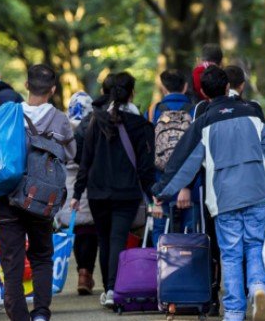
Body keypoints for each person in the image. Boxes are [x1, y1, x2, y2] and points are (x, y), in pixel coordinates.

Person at [153, 66, 265, 321]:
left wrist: (162, 191)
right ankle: (258, 286)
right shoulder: (253, 113)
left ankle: (233, 313)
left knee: (230, 254)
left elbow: (184, 162)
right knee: (255, 245)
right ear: (227, 87)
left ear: (203, 93)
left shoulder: (204, 122)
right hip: (257, 191)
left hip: (224, 196)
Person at [0, 64, 75, 321]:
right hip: (43, 200)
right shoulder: (61, 120)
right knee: (41, 258)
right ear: (53, 89)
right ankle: (41, 313)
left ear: (26, 85)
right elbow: (70, 154)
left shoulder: (11, 115)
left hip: (9, 199)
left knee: (12, 266)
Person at [72, 72, 156, 308]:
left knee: (104, 238)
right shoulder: (139, 125)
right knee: (118, 237)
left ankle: (109, 288)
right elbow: (145, 166)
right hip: (126, 191)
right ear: (131, 94)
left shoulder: (93, 121)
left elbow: (84, 160)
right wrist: (152, 195)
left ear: (105, 92)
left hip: (97, 191)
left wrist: (77, 193)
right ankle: (113, 289)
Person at [147, 69, 196, 247]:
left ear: (163, 88)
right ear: (185, 87)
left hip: (162, 183)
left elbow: (148, 151)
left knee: (161, 233)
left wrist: (152, 191)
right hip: (189, 185)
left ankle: (162, 264)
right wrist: (187, 185)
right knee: (190, 234)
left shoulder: (154, 112)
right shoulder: (195, 111)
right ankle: (188, 264)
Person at [58, 91, 98, 295]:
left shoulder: (63, 126)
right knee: (90, 231)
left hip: (68, 184)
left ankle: (82, 273)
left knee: (77, 230)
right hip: (89, 183)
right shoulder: (93, 125)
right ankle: (85, 273)